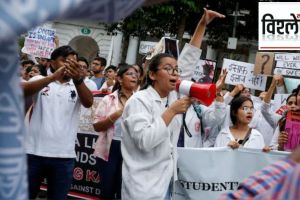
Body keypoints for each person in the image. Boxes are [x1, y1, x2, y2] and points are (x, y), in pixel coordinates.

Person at [22, 45, 93, 199]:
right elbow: (24, 91)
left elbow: (88, 102)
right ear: (53, 63)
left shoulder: (78, 85)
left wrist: (78, 80)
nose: (70, 65)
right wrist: (53, 78)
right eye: (65, 61)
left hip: (64, 157)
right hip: (34, 153)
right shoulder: (40, 79)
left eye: (74, 62)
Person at [93, 64, 138, 199]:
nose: (134, 76)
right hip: (110, 148)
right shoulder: (108, 99)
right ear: (119, 78)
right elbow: (97, 126)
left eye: (136, 74)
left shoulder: (141, 100)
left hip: (131, 150)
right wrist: (116, 114)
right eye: (130, 74)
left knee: (124, 190)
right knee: (107, 189)